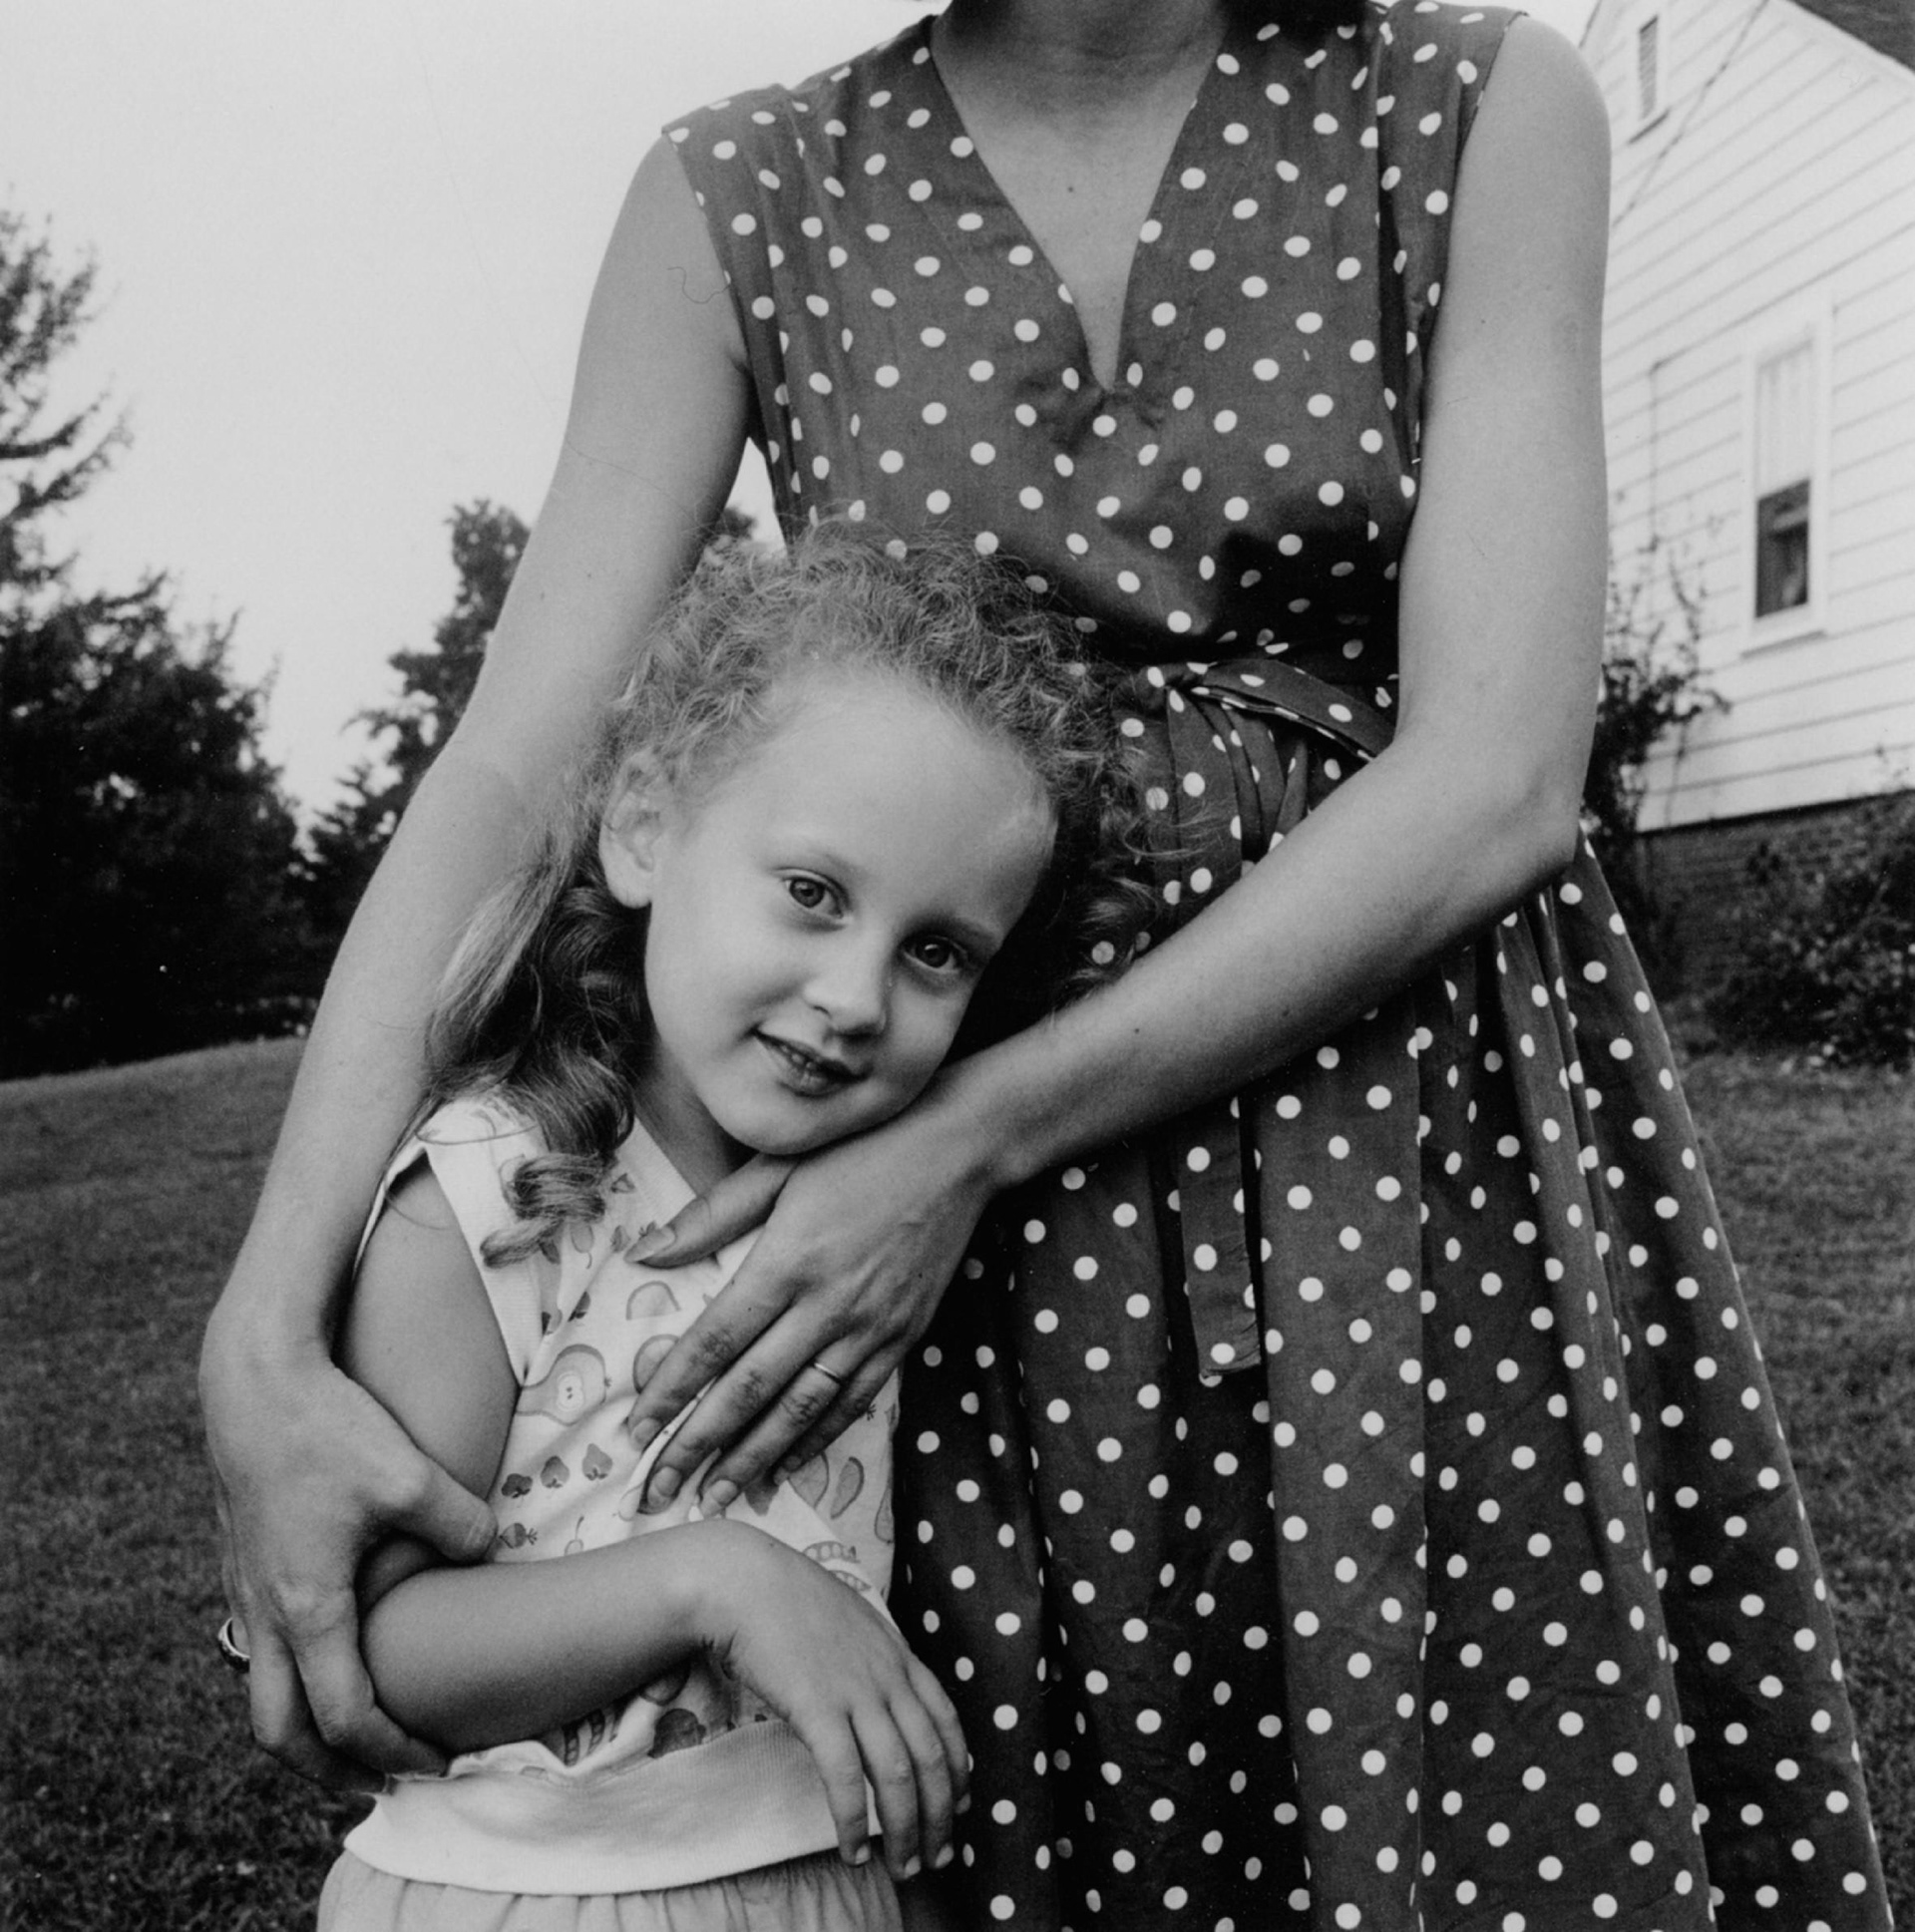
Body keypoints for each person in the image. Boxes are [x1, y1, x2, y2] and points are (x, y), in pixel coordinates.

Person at [202, 1, 1891, 1926]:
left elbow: (1498, 771)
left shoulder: (1472, 107)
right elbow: (520, 763)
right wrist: (264, 1321)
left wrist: (964, 1141)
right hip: (969, 1262)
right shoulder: (742, 190)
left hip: (1387, 1144)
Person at [263, 528, 1142, 1930]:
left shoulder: (875, 1223)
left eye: (936, 951)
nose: (855, 998)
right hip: (538, 1898)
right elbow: (385, 1650)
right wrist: (714, 1586)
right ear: (645, 827)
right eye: (813, 893)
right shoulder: (497, 1192)